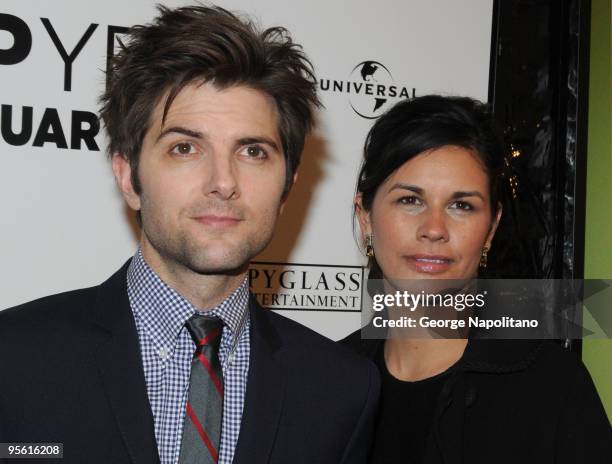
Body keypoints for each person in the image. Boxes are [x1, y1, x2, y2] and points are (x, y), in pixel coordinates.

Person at [0, 5, 379, 464]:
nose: (223, 181)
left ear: (286, 188)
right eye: (185, 148)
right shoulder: (14, 360)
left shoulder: (340, 390)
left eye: (253, 151)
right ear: (128, 176)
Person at [342, 95, 611, 463]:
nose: (434, 229)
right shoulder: (326, 380)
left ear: (491, 229)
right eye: (410, 200)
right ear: (366, 217)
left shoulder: (553, 389)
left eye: (461, 205)